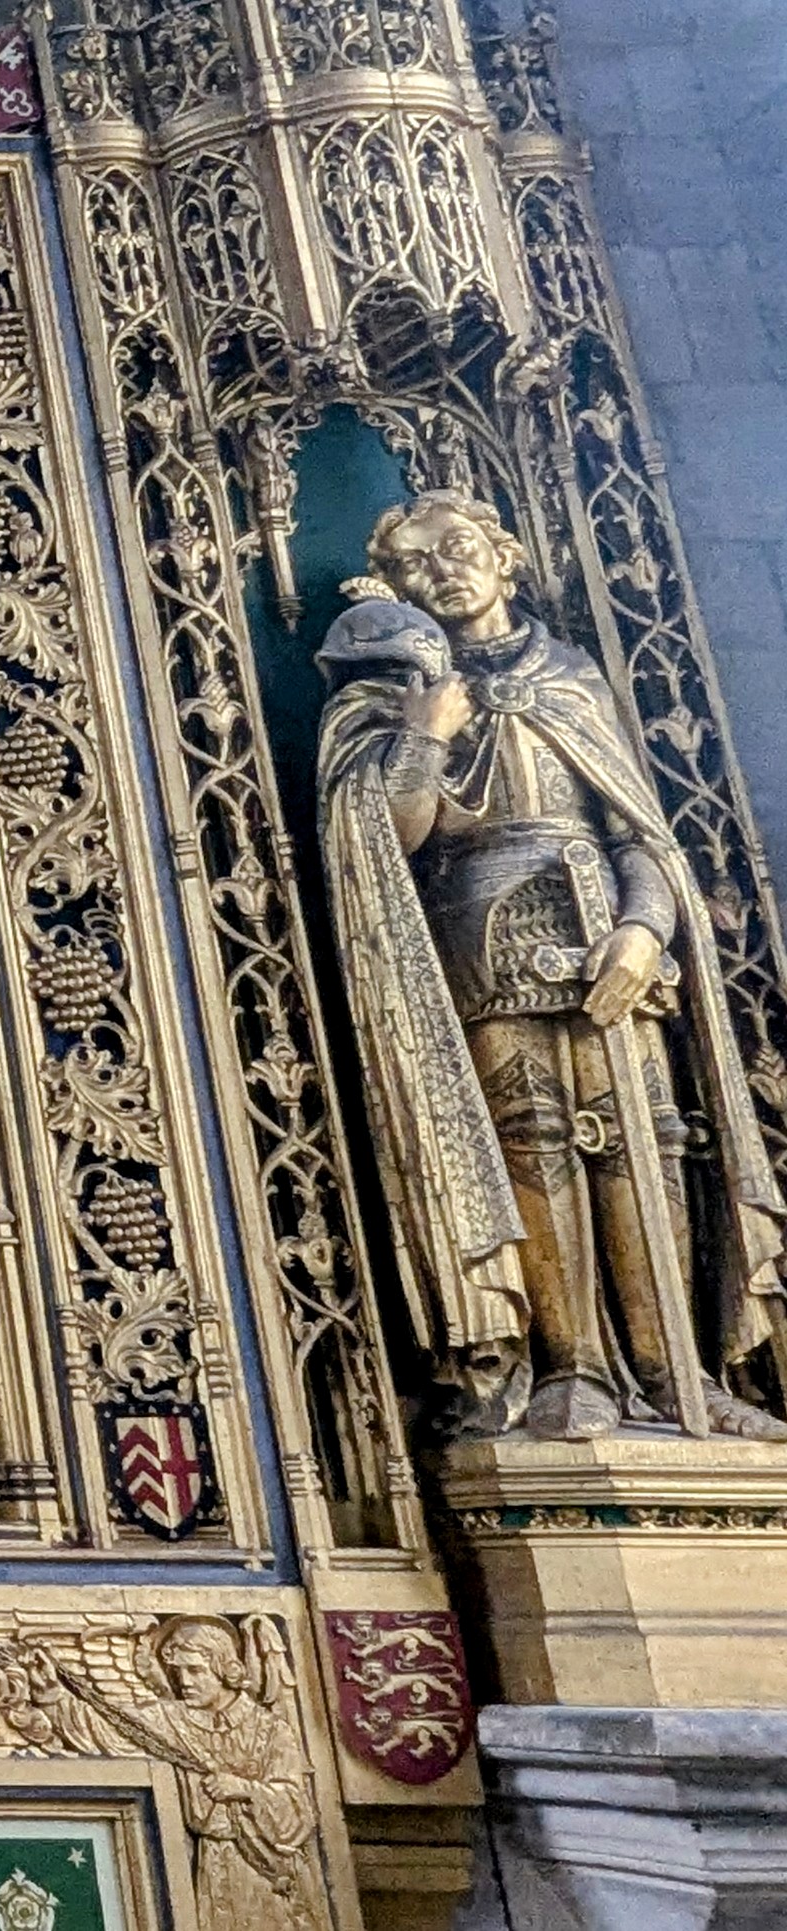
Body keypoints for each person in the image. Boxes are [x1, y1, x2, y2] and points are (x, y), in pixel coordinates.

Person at [318, 490, 787, 1438]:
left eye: (458, 547)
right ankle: (570, 1366)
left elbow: (638, 829)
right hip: (482, 943)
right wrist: (426, 731)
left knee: (650, 1142)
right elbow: (386, 838)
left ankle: (677, 1371)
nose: (442, 571)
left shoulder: (571, 675)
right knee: (531, 1138)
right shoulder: (391, 690)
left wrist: (645, 928)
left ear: (505, 555)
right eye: (415, 565)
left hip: (606, 933)